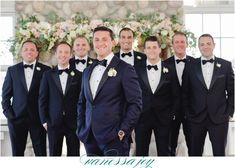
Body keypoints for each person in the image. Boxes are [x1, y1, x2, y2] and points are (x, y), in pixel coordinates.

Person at [76, 26, 142, 156]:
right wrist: (81, 129)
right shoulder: (87, 71)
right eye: (97, 40)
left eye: (104, 39)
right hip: (89, 139)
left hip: (114, 139)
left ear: (113, 42)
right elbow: (82, 103)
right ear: (93, 43)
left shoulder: (125, 69)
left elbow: (135, 103)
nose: (100, 43)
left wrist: (123, 131)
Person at [182, 34, 234, 156]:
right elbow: (184, 92)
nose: (205, 47)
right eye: (202, 44)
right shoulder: (190, 65)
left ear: (214, 45)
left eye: (208, 43)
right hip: (195, 118)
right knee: (195, 154)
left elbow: (232, 92)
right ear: (198, 47)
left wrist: (229, 112)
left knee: (219, 154)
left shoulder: (226, 65)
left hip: (219, 118)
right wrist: (187, 113)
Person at [1, 40, 50, 156]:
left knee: (41, 154)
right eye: (26, 49)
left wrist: (46, 117)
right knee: (17, 154)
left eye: (32, 49)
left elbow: (50, 96)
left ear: (37, 53)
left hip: (39, 119)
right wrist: (10, 115)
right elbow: (5, 96)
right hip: (17, 119)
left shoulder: (46, 70)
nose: (29, 52)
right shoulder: (12, 71)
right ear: (21, 53)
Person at [134, 36, 179, 156]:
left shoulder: (171, 69)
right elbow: (133, 94)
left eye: (154, 47)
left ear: (160, 49)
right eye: (148, 47)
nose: (152, 50)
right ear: (144, 51)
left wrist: (171, 115)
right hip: (142, 118)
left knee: (165, 153)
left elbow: (176, 95)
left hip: (164, 119)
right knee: (141, 153)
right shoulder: (136, 69)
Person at [39, 42, 82, 156]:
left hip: (73, 123)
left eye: (66, 52)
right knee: (54, 154)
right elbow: (42, 99)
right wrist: (44, 120)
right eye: (60, 52)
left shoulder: (79, 75)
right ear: (56, 54)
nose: (63, 55)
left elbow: (81, 100)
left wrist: (80, 120)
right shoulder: (47, 75)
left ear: (71, 55)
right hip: (53, 122)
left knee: (74, 154)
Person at [164, 32, 194, 156]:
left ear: (187, 44)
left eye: (182, 41)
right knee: (169, 146)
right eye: (177, 42)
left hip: (192, 112)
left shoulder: (196, 63)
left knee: (194, 146)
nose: (180, 44)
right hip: (171, 112)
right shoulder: (164, 64)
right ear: (172, 45)